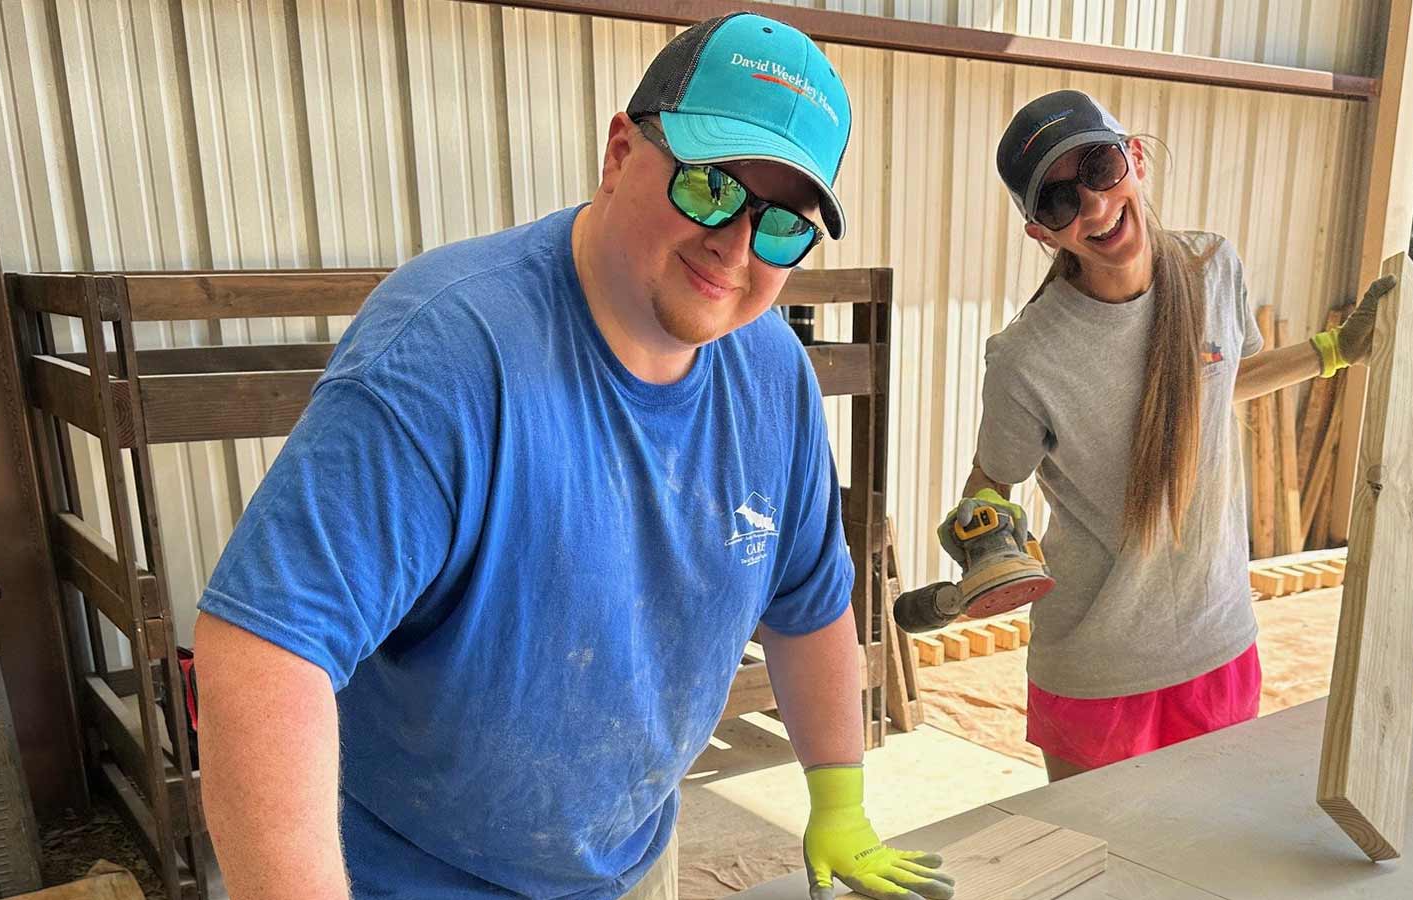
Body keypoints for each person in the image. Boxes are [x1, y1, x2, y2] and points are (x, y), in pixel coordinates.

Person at [192, 14, 955, 900]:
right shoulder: (449, 352)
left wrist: (839, 799)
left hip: (627, 862)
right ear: (621, 151)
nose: (736, 246)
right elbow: (265, 649)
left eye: (783, 225)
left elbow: (808, 603)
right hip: (412, 875)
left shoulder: (771, 373)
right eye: (710, 186)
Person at [949, 89, 1394, 783]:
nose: (1093, 206)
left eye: (1098, 166)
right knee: (1102, 872)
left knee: (1208, 861)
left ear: (1137, 159)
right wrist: (987, 535)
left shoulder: (1212, 268)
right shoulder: (1026, 357)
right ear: (1041, 232)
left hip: (1217, 642)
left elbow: (1215, 384)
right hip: (1096, 667)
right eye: (1060, 201)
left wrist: (1335, 350)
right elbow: (991, 479)